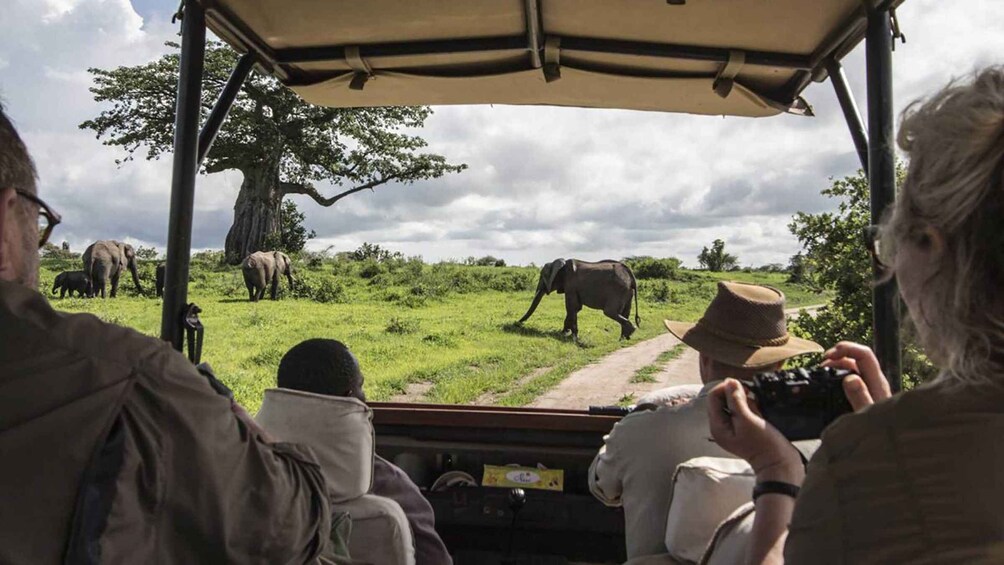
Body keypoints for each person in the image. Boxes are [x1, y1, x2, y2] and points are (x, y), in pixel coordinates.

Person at [0, 105, 332, 562]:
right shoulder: (128, 377)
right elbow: (291, 525)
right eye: (38, 221)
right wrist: (235, 416)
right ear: (5, 219)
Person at [708, 66, 1004, 565]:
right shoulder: (882, 446)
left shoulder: (865, 459)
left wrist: (776, 469)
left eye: (889, 240)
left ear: (931, 245)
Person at [589, 281, 822, 559]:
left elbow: (602, 487)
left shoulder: (640, 429)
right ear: (780, 364)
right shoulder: (811, 441)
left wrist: (644, 414)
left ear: (704, 357)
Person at [276, 338, 454, 565]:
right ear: (349, 399)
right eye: (360, 387)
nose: (365, 399)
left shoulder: (247, 477)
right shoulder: (394, 488)